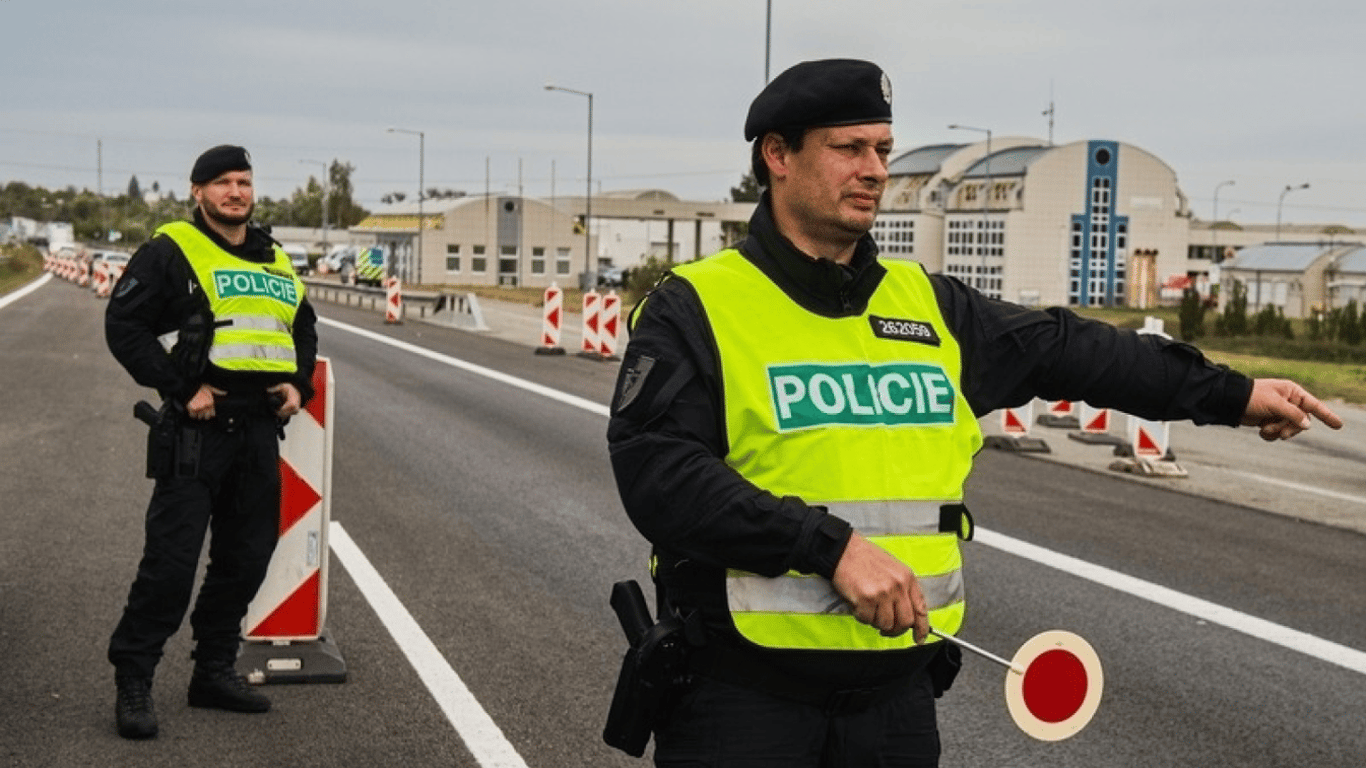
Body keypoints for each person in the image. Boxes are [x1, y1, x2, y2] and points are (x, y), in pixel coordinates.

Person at [605, 59, 1343, 767]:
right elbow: (660, 472)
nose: (875, 170)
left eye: (884, 149)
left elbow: (1073, 351)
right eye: (848, 148)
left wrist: (1233, 395)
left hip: (895, 711)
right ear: (778, 156)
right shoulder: (695, 306)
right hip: (741, 707)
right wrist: (829, 547)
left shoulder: (928, 306)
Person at [105, 145, 319, 740]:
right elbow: (124, 326)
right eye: (222, 182)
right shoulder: (170, 251)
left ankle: (213, 671)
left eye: (244, 181)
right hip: (197, 431)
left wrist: (299, 384)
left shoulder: (275, 257)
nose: (235, 192)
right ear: (197, 191)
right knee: (170, 567)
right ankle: (134, 678)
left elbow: (303, 327)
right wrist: (181, 385)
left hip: (256, 432)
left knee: (245, 560)